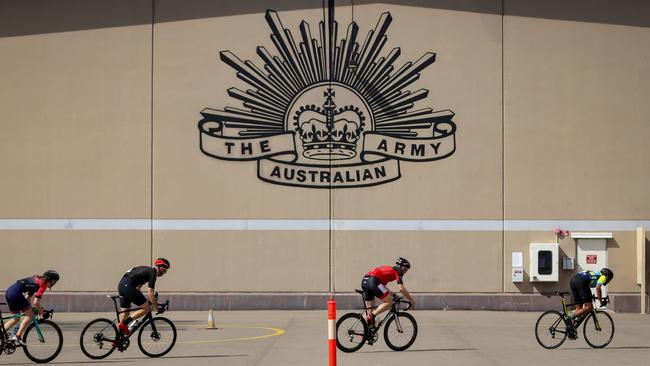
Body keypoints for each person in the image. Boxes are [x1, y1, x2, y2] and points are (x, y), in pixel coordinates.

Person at [3, 270, 60, 345]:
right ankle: (17, 336)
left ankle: (1, 333)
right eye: (54, 282)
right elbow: (36, 302)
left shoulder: (36, 280)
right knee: (31, 315)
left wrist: (35, 309)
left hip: (10, 292)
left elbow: (27, 298)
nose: (54, 284)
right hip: (16, 294)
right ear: (50, 280)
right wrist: (42, 313)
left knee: (15, 319)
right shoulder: (43, 285)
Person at [116, 258, 170, 335]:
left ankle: (117, 340)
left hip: (122, 285)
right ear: (160, 268)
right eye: (164, 271)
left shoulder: (146, 270)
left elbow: (138, 288)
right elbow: (150, 292)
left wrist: (147, 300)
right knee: (147, 308)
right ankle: (124, 324)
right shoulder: (153, 273)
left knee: (125, 314)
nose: (163, 273)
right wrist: (157, 308)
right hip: (128, 286)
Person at [360, 257, 415, 328]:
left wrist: (394, 294)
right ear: (403, 268)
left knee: (369, 310)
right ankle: (372, 316)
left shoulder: (389, 270)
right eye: (406, 270)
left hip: (365, 280)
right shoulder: (398, 271)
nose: (405, 273)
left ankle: (365, 332)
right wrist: (411, 300)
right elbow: (401, 288)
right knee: (389, 302)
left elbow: (382, 287)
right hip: (373, 281)